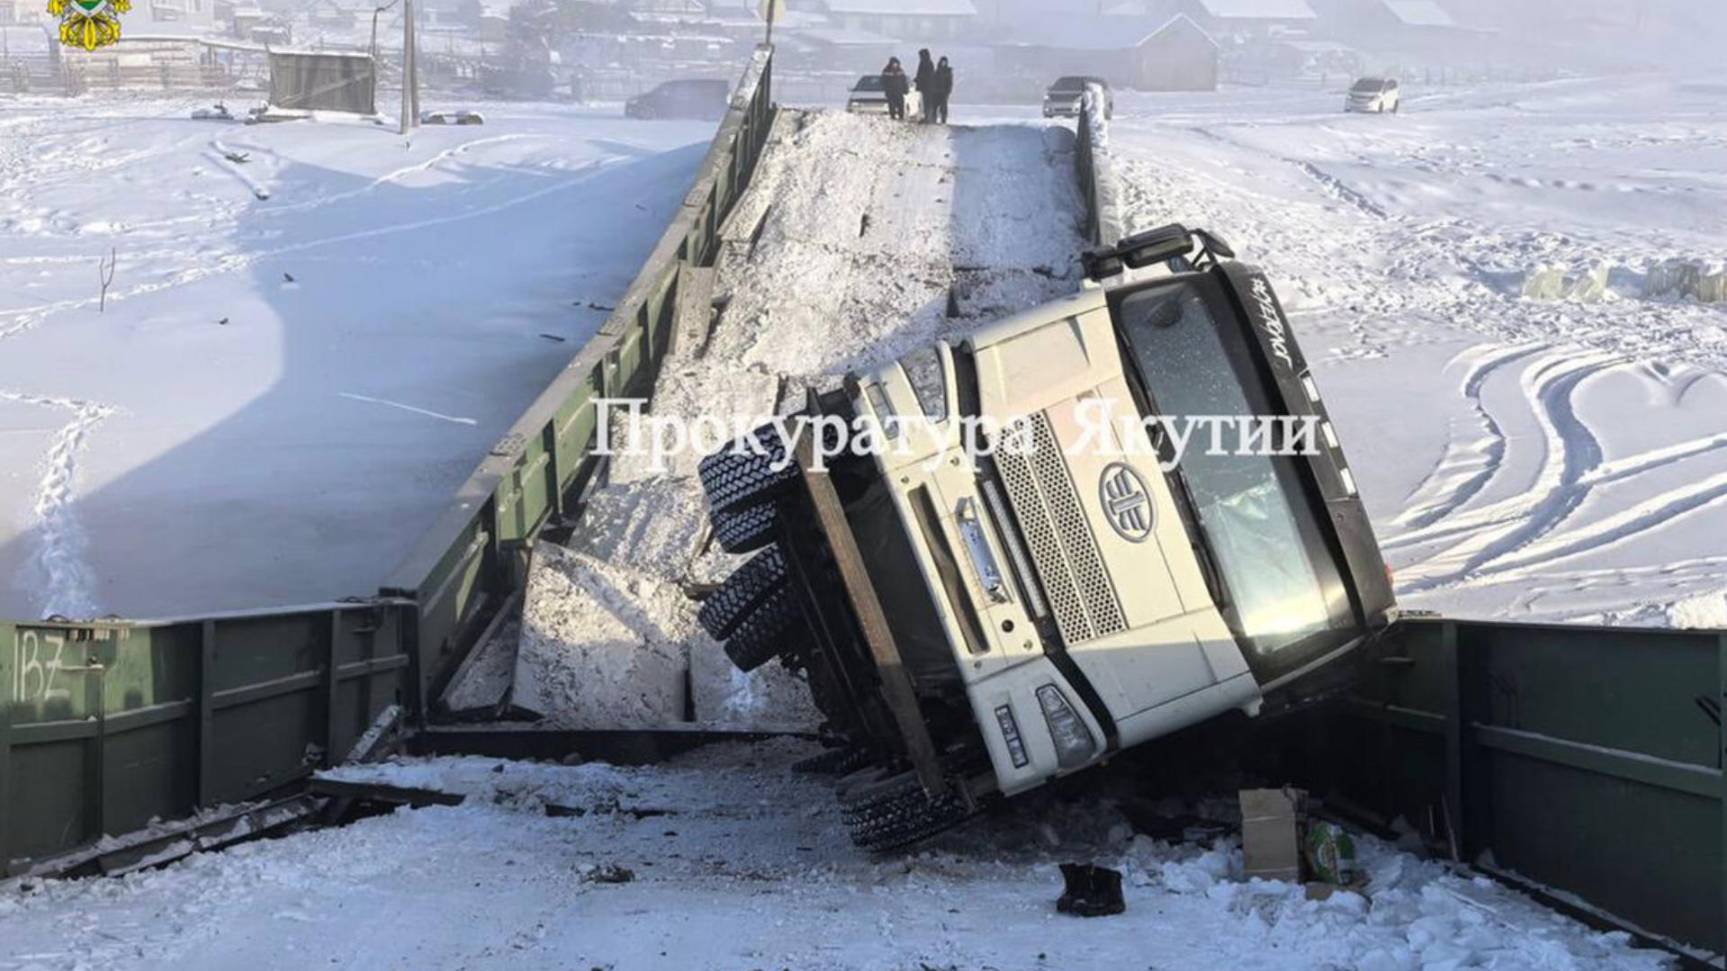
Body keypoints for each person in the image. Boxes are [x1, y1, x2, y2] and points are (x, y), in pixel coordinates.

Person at [881, 56, 909, 121]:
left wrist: (905, 89)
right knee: (891, 105)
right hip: (890, 91)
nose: (895, 65)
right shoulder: (886, 70)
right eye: (894, 63)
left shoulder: (900, 70)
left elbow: (904, 81)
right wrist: (886, 89)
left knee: (901, 104)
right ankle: (892, 116)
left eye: (896, 63)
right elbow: (883, 81)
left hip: (899, 91)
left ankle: (901, 116)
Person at [914, 49, 936, 123]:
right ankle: (927, 117)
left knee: (928, 103)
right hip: (926, 86)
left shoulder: (927, 63)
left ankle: (928, 118)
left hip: (928, 86)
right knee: (926, 102)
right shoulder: (925, 62)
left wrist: (919, 79)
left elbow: (927, 75)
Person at [932, 56, 954, 125]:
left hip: (944, 92)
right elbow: (934, 80)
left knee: (943, 108)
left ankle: (943, 121)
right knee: (934, 107)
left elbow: (950, 83)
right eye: (942, 62)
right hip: (935, 92)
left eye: (944, 62)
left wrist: (948, 92)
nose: (943, 63)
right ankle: (933, 121)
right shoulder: (937, 70)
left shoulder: (948, 72)